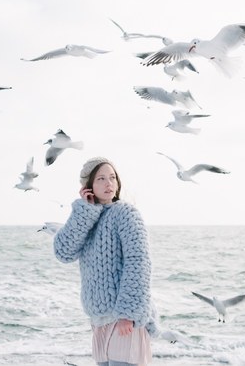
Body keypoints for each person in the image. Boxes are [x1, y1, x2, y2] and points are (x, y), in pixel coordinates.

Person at [53, 156, 157, 366]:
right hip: (99, 321)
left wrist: (128, 313)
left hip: (124, 318)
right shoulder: (87, 217)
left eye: (112, 177)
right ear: (88, 185)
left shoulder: (126, 214)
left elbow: (138, 263)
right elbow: (64, 252)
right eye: (101, 178)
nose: (109, 183)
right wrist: (84, 210)